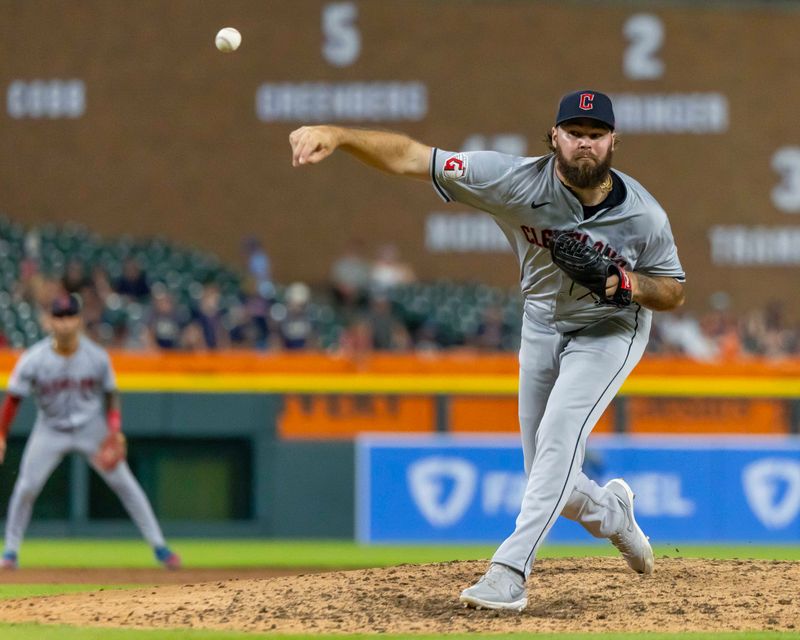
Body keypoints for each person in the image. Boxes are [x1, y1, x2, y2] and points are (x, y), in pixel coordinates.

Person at [289, 89, 685, 610]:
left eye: (595, 134)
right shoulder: (512, 180)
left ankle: (509, 572)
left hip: (611, 329)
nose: (584, 144)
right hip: (543, 323)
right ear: (554, 137)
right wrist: (338, 136)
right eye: (575, 133)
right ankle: (615, 513)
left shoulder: (643, 216)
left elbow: (674, 290)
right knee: (552, 481)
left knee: (558, 439)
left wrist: (625, 283)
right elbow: (413, 156)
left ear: (613, 142)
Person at [0, 293, 180, 570]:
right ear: (50, 321)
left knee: (126, 484)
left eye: (70, 316)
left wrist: (115, 430)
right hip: (49, 429)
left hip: (90, 428)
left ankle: (160, 547)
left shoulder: (96, 357)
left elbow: (111, 394)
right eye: (59, 317)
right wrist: (1, 434)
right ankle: (10, 553)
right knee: (26, 487)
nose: (65, 323)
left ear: (79, 320)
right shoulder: (33, 359)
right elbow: (13, 399)